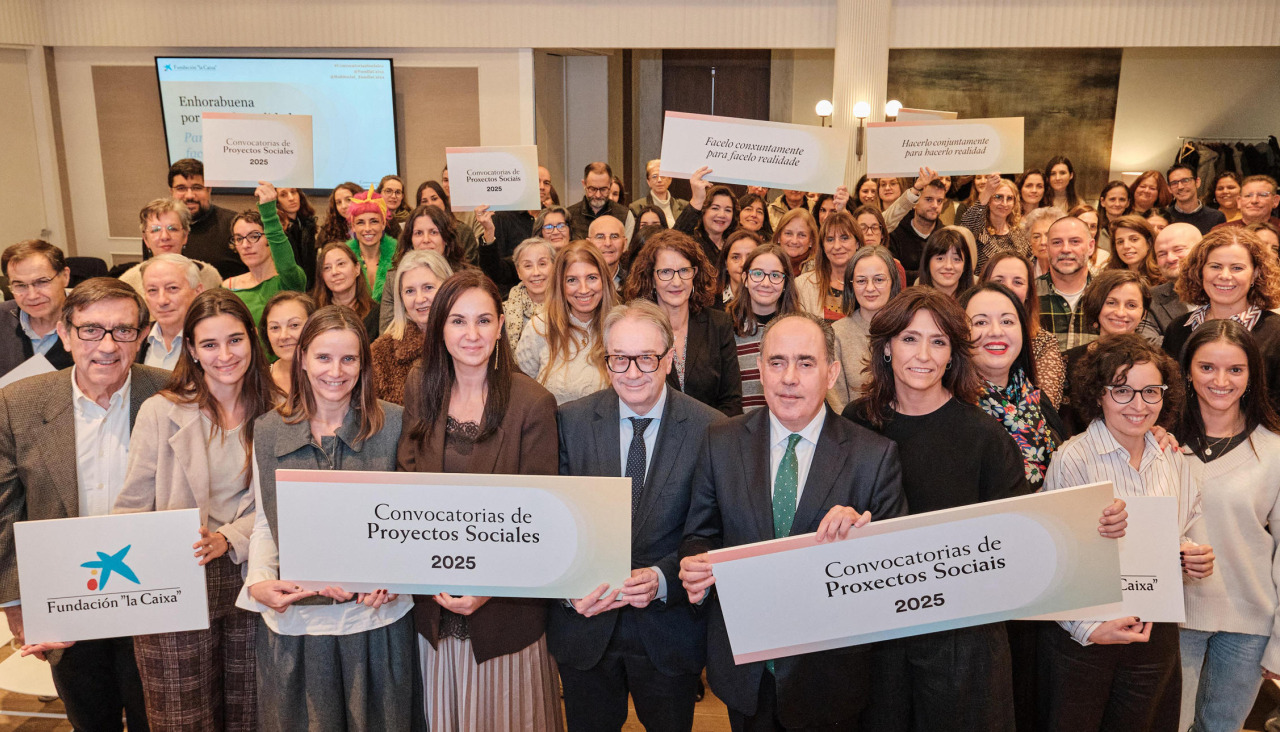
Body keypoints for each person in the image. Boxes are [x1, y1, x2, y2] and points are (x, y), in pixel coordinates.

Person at [679, 311, 908, 730]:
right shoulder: (721, 442)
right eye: (777, 362)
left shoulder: (873, 457)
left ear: (831, 372)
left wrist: (864, 537)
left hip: (828, 681)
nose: (789, 377)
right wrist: (695, 561)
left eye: (805, 363)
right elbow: (701, 532)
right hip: (744, 673)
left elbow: (893, 578)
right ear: (760, 371)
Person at [842, 286, 1029, 731]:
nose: (923, 354)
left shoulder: (985, 436)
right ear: (886, 346)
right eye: (909, 338)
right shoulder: (854, 423)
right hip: (878, 639)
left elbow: (1016, 543)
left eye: (939, 341)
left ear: (953, 355)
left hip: (964, 645)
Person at [237, 305, 423, 731]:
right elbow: (266, 520)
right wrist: (259, 580)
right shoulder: (267, 430)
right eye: (323, 357)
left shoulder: (394, 424)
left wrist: (396, 578)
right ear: (301, 358)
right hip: (298, 623)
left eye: (348, 358)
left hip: (375, 622)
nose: (335, 371)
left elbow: (412, 523)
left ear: (363, 363)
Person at [396, 272, 562, 731]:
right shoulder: (419, 386)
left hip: (507, 614)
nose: (471, 334)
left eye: (484, 320)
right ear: (439, 329)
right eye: (458, 321)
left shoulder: (533, 402)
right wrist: (431, 578)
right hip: (434, 608)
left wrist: (490, 585)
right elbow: (407, 486)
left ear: (502, 324)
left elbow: (540, 518)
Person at [0, 278, 168, 731]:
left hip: (156, 597)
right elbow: (4, 509)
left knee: (161, 721)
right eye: (91, 330)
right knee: (91, 721)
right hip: (64, 603)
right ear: (66, 333)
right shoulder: (18, 402)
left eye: (123, 330)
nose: (107, 345)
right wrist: (17, 602)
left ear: (142, 335)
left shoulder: (174, 395)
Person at [551, 300, 723, 731]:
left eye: (646, 358)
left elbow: (711, 528)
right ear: (605, 361)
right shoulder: (570, 422)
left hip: (669, 631)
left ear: (669, 359)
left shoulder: (712, 430)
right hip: (587, 628)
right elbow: (554, 524)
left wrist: (665, 578)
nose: (631, 371)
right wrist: (567, 591)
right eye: (619, 358)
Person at [113, 289, 278, 730]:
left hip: (249, 575)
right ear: (191, 349)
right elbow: (131, 506)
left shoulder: (280, 410)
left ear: (252, 339)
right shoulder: (160, 411)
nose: (225, 355)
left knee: (250, 712)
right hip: (174, 579)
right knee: (181, 717)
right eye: (209, 344)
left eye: (235, 340)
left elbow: (283, 503)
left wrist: (230, 538)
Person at [1038, 333, 1211, 732]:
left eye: (1151, 391)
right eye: (1123, 391)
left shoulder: (1172, 458)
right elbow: (1055, 559)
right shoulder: (1073, 458)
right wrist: (1089, 629)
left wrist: (1188, 557)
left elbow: (1172, 538)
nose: (1139, 405)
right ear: (1098, 395)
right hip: (1091, 636)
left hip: (1155, 631)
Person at [1174, 320, 1280, 732]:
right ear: (1186, 370)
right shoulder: (1158, 441)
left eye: (1235, 369)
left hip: (1248, 625)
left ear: (1252, 374)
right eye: (1207, 367)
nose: (1221, 380)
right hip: (1175, 621)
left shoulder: (1273, 449)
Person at [624, 230, 743, 417]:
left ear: (695, 274)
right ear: (651, 279)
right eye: (665, 272)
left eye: (684, 271)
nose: (677, 281)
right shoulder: (636, 330)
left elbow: (732, 402)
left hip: (711, 437)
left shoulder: (718, 324)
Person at [960, 282, 1065, 491]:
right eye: (980, 322)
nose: (996, 331)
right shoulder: (952, 409)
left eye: (1007, 321)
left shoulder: (1038, 401)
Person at [1164, 227, 1280, 408]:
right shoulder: (1178, 329)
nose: (1225, 276)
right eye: (1216, 266)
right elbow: (1169, 399)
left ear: (1255, 274)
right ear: (1200, 271)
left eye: (1237, 268)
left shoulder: (1276, 332)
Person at [516, 240, 618, 404]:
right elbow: (520, 396)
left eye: (591, 277)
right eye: (572, 280)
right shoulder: (539, 328)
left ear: (604, 280)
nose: (584, 289)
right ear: (560, 285)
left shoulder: (620, 327)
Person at [981, 251, 1066, 408]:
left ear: (1028, 292)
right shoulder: (964, 334)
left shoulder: (1044, 342)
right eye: (999, 280)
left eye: (1018, 282)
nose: (1007, 288)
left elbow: (1046, 405)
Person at [370, 250, 452, 405]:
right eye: (410, 291)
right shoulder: (381, 353)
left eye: (428, 287)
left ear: (448, 287)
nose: (419, 299)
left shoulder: (468, 342)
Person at [222, 182, 307, 329]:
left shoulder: (289, 281)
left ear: (269, 239)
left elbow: (286, 266)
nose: (245, 245)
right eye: (239, 238)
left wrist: (268, 212)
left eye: (254, 236)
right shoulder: (228, 287)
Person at [828, 245, 902, 411]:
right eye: (861, 281)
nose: (870, 288)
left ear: (893, 282)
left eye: (879, 280)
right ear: (851, 286)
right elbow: (837, 404)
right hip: (855, 432)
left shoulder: (908, 329)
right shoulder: (837, 334)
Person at [727, 244, 799, 412]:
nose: (766, 283)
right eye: (758, 274)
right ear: (745, 278)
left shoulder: (800, 330)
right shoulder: (726, 328)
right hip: (739, 428)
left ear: (786, 282)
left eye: (775, 275)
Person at [0, 239, 73, 377]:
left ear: (65, 276)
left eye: (42, 282)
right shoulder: (2, 317)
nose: (32, 296)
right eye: (20, 285)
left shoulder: (93, 320)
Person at [121, 198, 223, 294]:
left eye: (172, 228)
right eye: (156, 230)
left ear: (185, 235)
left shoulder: (210, 276)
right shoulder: (128, 282)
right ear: (146, 239)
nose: (165, 236)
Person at [167, 158, 245, 278]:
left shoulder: (234, 225)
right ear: (171, 192)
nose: (189, 196)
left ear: (209, 189)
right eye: (181, 188)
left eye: (197, 187)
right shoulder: (160, 231)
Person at [1037, 216, 1097, 351]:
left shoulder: (1107, 294)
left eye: (1075, 242)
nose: (1065, 249)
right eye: (1057, 242)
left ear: (1091, 247)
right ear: (1047, 248)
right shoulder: (1028, 294)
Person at [136, 253, 204, 370]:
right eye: (152, 290)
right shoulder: (136, 339)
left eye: (172, 288)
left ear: (198, 291)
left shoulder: (213, 340)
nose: (162, 301)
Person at [796, 210, 861, 319]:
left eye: (844, 238)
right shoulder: (803, 285)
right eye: (830, 239)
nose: (837, 246)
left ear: (857, 243)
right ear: (823, 247)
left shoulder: (870, 284)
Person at [962, 173, 1031, 271]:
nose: (1004, 203)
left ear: (1014, 203)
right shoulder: (978, 231)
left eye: (1009, 198)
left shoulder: (1021, 233)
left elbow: (1029, 266)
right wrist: (986, 192)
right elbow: (966, 228)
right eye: (998, 197)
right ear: (988, 200)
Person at [312, 241, 380, 339]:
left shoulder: (376, 314)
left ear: (357, 269)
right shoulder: (313, 312)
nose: (334, 272)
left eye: (341, 264)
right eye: (327, 268)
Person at [674, 167, 739, 269]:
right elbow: (673, 240)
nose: (722, 215)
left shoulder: (735, 244)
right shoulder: (693, 244)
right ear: (703, 211)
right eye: (715, 208)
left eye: (728, 210)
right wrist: (697, 200)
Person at [343, 187, 398, 303]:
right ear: (353, 227)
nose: (367, 229)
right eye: (360, 222)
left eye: (374, 221)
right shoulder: (343, 258)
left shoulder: (399, 257)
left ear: (383, 224)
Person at [888, 176, 947, 276]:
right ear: (914, 203)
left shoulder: (945, 236)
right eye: (929, 199)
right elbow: (894, 274)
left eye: (939, 201)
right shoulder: (895, 232)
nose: (935, 205)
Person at [260, 291, 315, 396]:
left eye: (294, 325)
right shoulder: (259, 381)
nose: (284, 336)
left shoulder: (330, 376)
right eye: (275, 327)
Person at [503, 238, 555, 348]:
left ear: (554, 267)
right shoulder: (503, 311)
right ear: (518, 272)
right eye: (528, 266)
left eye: (542, 264)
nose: (536, 272)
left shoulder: (570, 307)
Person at [414, 181, 480, 265]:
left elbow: (470, 267)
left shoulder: (463, 231)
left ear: (444, 201)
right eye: (424, 201)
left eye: (434, 199)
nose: (430, 204)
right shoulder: (413, 230)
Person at [1148, 222, 1198, 334]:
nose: (1170, 258)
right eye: (1162, 254)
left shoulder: (1223, 289)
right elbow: (1149, 343)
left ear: (1200, 249)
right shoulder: (1150, 299)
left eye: (1178, 250)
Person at [568, 162, 630, 240]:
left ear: (610, 185)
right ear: (584, 184)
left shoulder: (625, 215)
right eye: (592, 189)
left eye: (603, 189)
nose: (598, 195)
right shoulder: (569, 215)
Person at [275, 187, 319, 288]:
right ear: (277, 202)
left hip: (311, 286)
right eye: (283, 195)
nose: (291, 198)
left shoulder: (307, 223)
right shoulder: (278, 230)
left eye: (293, 192)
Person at [1164, 164, 1226, 235]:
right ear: (1169, 188)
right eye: (1174, 183)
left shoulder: (1216, 217)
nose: (1180, 187)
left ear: (1197, 182)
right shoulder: (1164, 217)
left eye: (1185, 180)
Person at [628, 159, 687, 232]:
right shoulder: (637, 208)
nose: (659, 180)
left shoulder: (684, 206)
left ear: (670, 179)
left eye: (663, 176)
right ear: (648, 182)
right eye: (654, 176)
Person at [916, 227, 974, 298]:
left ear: (965, 265)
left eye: (956, 259)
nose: (948, 266)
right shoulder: (914, 303)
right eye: (940, 258)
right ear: (927, 262)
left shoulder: (975, 302)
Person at [1106, 214, 1164, 284]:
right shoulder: (1108, 279)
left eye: (1134, 239)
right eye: (1120, 242)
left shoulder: (1164, 277)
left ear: (1149, 243)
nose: (1126, 246)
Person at [716, 230, 765, 303]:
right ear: (726, 263)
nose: (743, 264)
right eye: (736, 257)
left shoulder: (769, 301)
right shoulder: (709, 301)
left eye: (750, 257)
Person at [1215, 175, 1280, 230]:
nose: (1254, 201)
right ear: (1239, 201)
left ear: (1275, 201)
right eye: (1248, 196)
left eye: (1262, 195)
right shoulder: (1221, 232)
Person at [772, 207, 818, 277]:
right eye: (788, 233)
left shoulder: (819, 270)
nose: (794, 241)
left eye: (802, 235)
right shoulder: (765, 264)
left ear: (811, 241)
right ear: (778, 237)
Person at [316, 181, 364, 247]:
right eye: (338, 202)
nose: (343, 206)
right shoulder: (329, 229)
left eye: (348, 200)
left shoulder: (371, 225)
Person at [589, 214, 628, 290]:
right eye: (600, 237)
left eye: (614, 236)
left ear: (625, 244)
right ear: (589, 243)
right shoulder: (579, 282)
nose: (608, 243)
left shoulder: (633, 283)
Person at [1021, 205, 1060, 279]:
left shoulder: (1071, 269)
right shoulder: (1023, 271)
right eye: (1036, 237)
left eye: (1048, 235)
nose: (1043, 242)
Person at [1096, 180, 1133, 255]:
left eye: (1122, 200)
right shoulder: (1094, 227)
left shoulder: (1133, 228)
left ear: (1128, 203)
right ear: (1102, 201)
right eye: (1112, 199)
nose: (1117, 204)